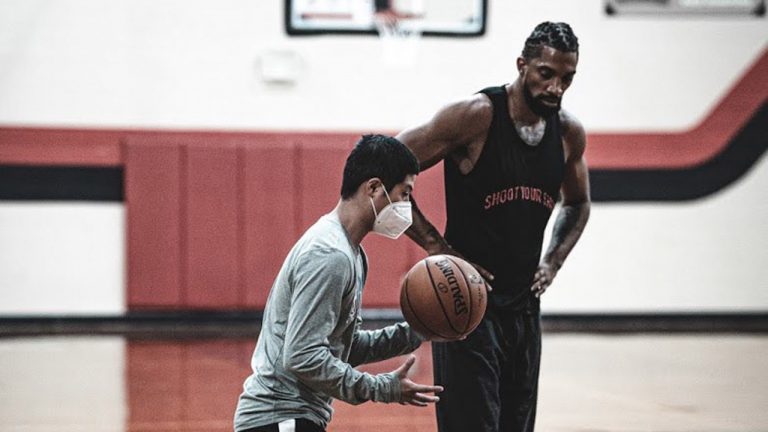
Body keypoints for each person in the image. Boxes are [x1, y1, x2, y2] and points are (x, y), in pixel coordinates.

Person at [395, 22, 591, 432]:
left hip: (523, 313)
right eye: (546, 73)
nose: (556, 87)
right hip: (466, 309)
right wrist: (437, 247)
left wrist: (553, 261)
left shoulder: (568, 133)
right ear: (522, 65)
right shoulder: (475, 117)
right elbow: (386, 166)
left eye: (566, 78)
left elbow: (577, 203)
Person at [233, 134, 443, 432]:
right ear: (373, 188)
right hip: (280, 417)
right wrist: (382, 387)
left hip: (292, 417)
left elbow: (344, 347)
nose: (406, 206)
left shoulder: (352, 254)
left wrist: (418, 331)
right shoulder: (330, 254)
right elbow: (302, 356)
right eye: (405, 193)